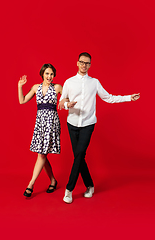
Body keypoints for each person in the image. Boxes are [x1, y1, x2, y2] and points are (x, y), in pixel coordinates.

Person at [59, 52, 140, 204]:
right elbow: (62, 102)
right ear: (77, 63)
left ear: (90, 65)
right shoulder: (69, 82)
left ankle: (69, 190)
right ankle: (90, 185)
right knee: (79, 156)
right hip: (72, 123)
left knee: (79, 154)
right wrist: (66, 104)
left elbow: (108, 97)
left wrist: (129, 97)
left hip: (88, 124)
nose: (84, 65)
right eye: (82, 62)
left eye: (87, 63)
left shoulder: (94, 82)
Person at [18, 63, 62, 197]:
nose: (50, 76)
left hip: (51, 123)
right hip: (40, 123)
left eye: (52, 74)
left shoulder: (57, 87)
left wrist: (65, 102)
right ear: (42, 74)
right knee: (42, 154)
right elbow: (22, 100)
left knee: (41, 154)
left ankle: (30, 184)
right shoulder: (35, 87)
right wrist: (20, 86)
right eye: (47, 73)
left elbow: (67, 100)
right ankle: (53, 181)